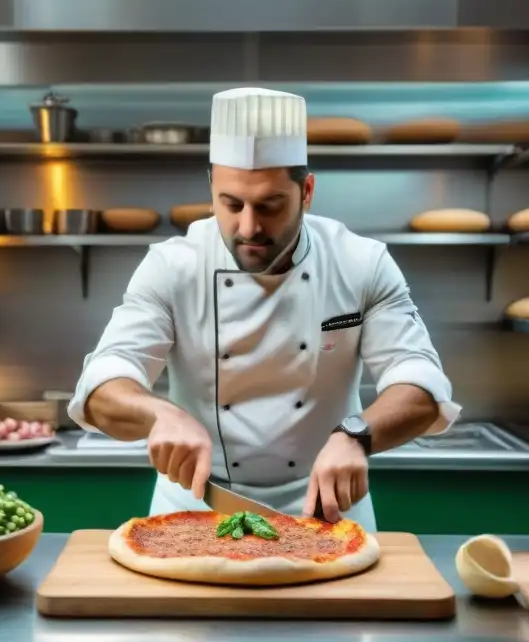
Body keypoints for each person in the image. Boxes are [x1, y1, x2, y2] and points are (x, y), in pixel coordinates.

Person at [67, 87, 460, 531]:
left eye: (271, 206)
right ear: (211, 188)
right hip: (195, 507)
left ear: (307, 192)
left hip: (327, 510)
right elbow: (103, 382)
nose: (249, 227)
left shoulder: (360, 262)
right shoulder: (172, 266)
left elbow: (422, 384)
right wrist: (160, 414)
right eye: (231, 205)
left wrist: (357, 434)